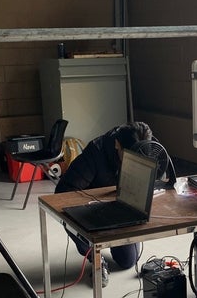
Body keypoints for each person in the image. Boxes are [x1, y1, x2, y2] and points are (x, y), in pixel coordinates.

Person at [55, 122, 153, 287]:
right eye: (128, 156)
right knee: (71, 219)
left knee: (128, 261)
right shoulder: (96, 152)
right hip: (91, 208)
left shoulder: (147, 146)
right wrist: (98, 202)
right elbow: (62, 193)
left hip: (122, 206)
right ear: (117, 145)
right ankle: (95, 258)